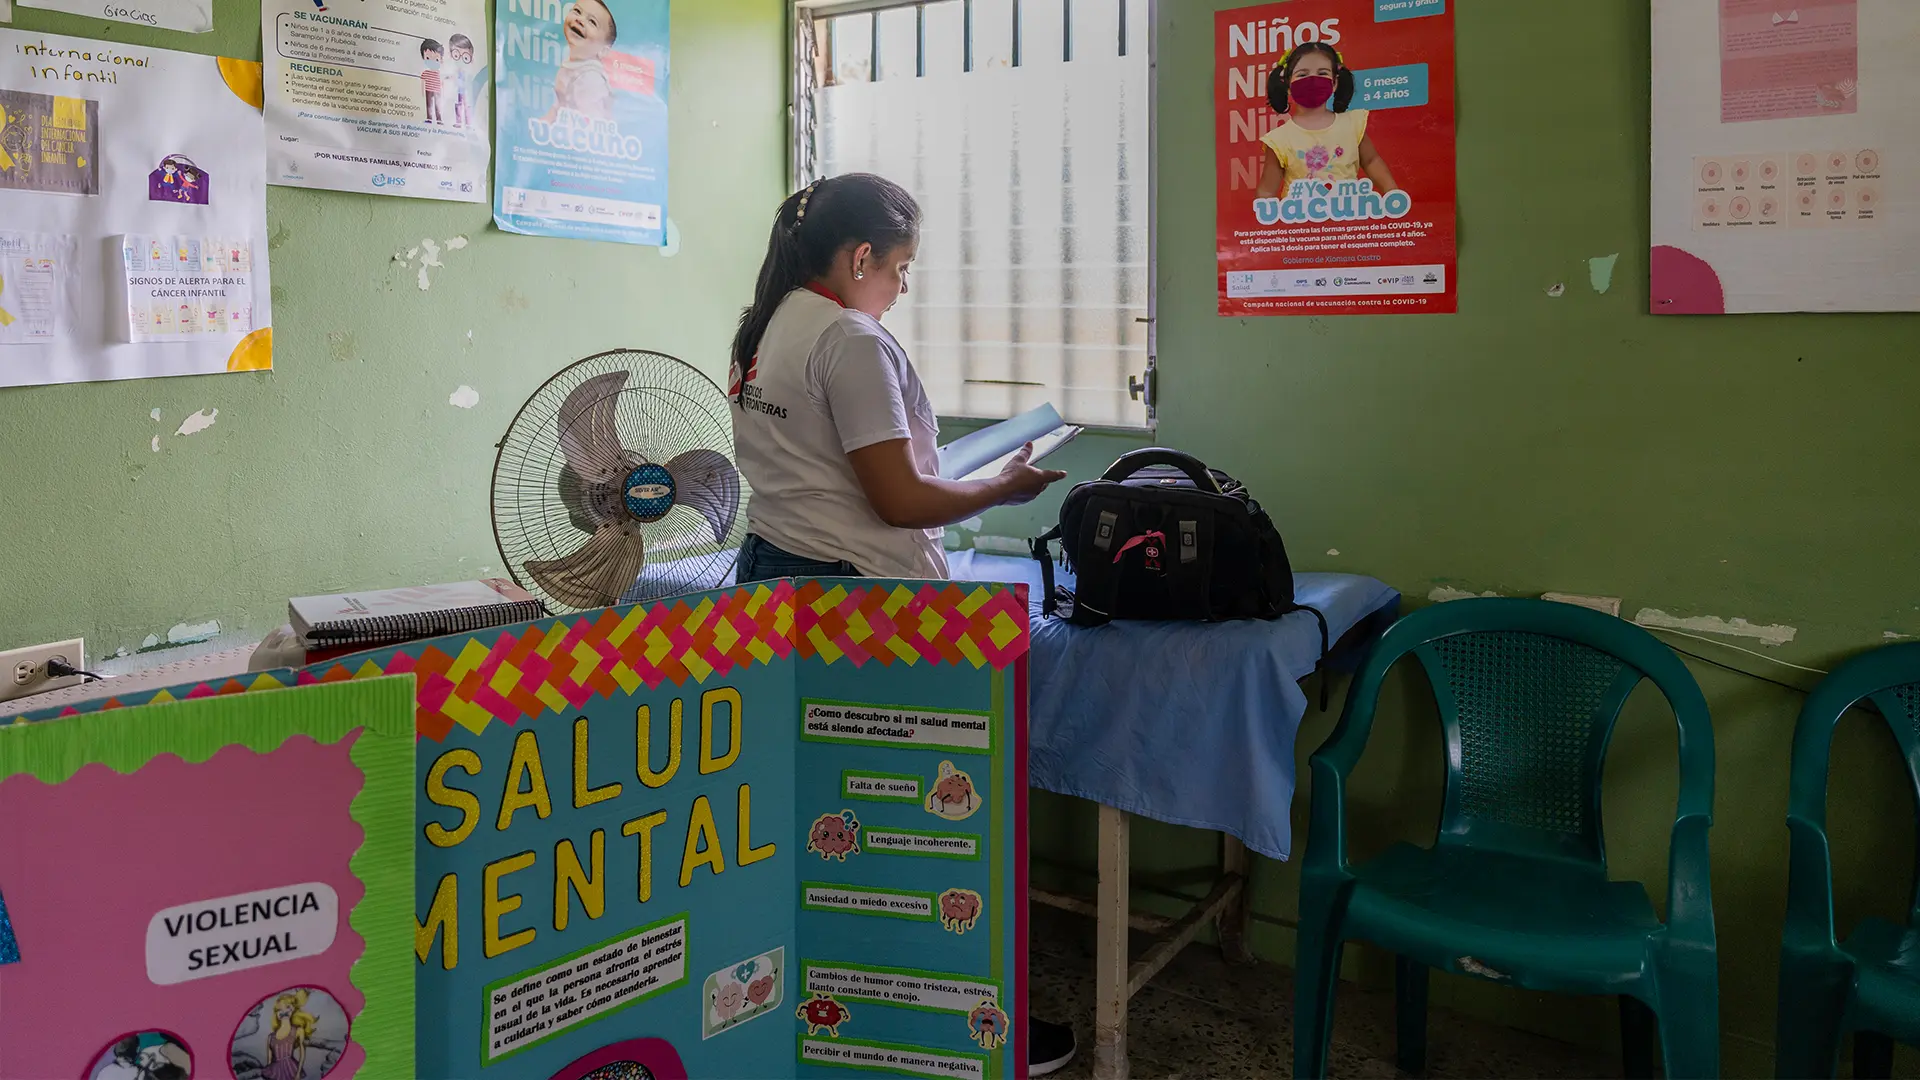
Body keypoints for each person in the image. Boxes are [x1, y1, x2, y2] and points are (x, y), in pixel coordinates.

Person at [727, 172, 1078, 1076]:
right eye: (900, 266)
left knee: (821, 820)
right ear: (860, 258)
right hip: (860, 604)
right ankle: (956, 1031)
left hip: (778, 580)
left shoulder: (768, 324)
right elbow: (898, 501)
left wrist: (943, 471)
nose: (903, 285)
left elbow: (832, 470)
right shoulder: (850, 339)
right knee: (916, 826)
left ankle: (826, 1023)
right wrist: (1001, 487)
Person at [1255, 41, 1398, 199]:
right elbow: (1267, 191)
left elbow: (1371, 161)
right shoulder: (1279, 140)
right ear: (1287, 84)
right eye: (1302, 74)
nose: (1312, 80)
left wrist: (1392, 193)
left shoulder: (1352, 124)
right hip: (1300, 215)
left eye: (1322, 73)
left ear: (1334, 83)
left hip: (1349, 213)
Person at [551, 0, 617, 121]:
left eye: (592, 22)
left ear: (603, 50)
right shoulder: (571, 66)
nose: (580, 20)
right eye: (577, 11)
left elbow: (591, 121)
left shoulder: (590, 78)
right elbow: (558, 108)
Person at [447, 33, 477, 129]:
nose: (460, 60)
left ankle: (468, 123)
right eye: (456, 55)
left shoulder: (468, 72)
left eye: (465, 57)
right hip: (458, 92)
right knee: (458, 105)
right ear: (451, 55)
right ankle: (459, 122)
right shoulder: (456, 71)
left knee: (467, 106)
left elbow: (469, 82)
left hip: (466, 92)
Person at [419, 39, 445, 126]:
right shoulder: (425, 73)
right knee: (429, 105)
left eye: (436, 59)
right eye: (428, 58)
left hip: (438, 91)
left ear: (441, 60)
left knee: (438, 105)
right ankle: (429, 118)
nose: (432, 62)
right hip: (428, 90)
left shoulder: (440, 74)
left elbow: (442, 84)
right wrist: (422, 93)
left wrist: (443, 92)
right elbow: (423, 82)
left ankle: (439, 119)